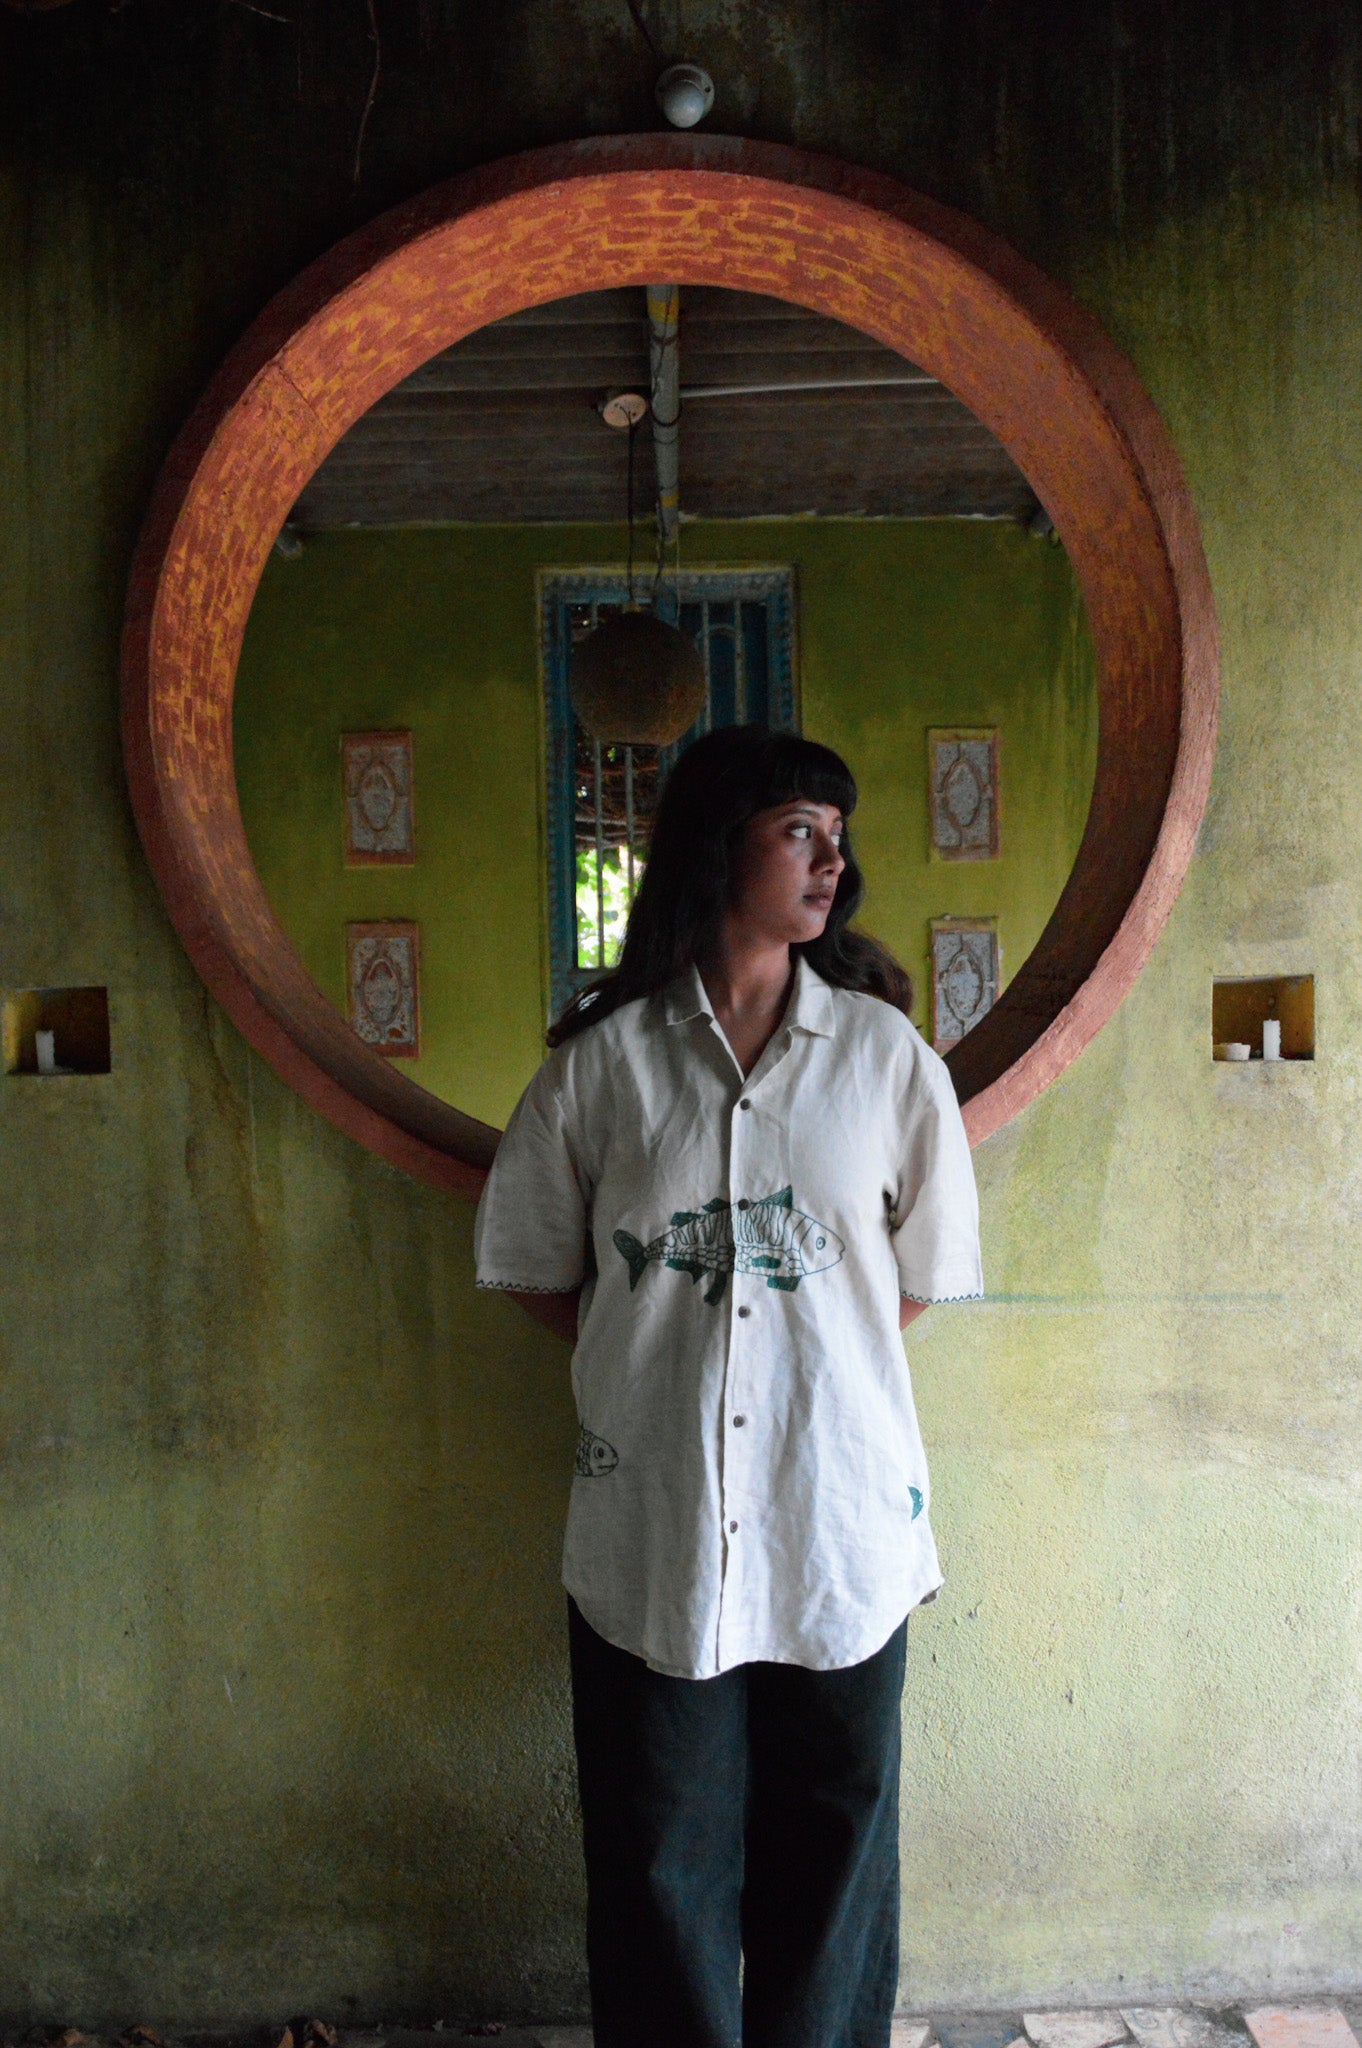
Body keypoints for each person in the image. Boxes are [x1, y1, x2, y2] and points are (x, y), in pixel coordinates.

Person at [474, 725, 983, 2048]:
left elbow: (913, 1280)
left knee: (835, 1846)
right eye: (799, 831)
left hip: (839, 1518)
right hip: (654, 1526)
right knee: (656, 1853)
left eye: (837, 834)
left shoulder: (883, 1061)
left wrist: (806, 1352)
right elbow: (536, 1270)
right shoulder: (604, 1065)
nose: (832, 862)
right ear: (721, 844)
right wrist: (660, 1354)